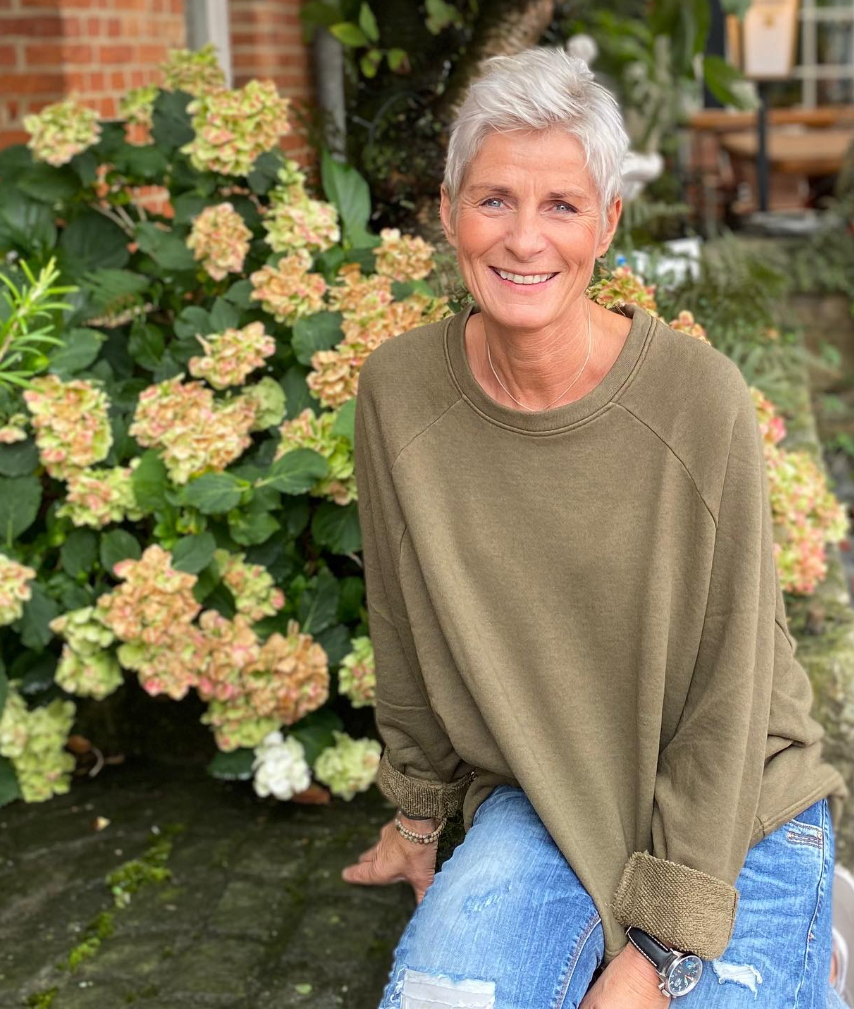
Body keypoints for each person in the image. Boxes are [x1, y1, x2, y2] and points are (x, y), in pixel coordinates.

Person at [341, 46, 852, 1009]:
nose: (524, 239)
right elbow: (401, 621)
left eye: (561, 205)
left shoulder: (700, 400)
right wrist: (416, 814)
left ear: (608, 223)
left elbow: (730, 691)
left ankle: (800, 953)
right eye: (494, 199)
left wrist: (658, 951)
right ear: (448, 210)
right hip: (544, 793)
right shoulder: (399, 393)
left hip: (736, 811)